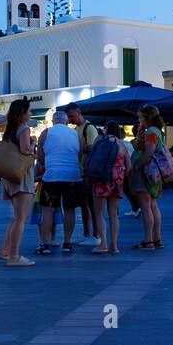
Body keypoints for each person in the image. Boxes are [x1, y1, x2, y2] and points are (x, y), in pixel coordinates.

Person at [36, 109, 85, 254]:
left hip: (52, 176)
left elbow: (40, 156)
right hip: (72, 175)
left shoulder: (46, 133)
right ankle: (67, 243)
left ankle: (45, 245)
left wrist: (48, 164)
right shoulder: (76, 133)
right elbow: (80, 153)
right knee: (69, 210)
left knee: (48, 210)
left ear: (53, 121)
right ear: (66, 121)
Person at [0, 98, 36, 266]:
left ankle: (5, 251)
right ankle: (14, 256)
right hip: (22, 178)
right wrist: (33, 143)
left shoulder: (10, 130)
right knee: (21, 218)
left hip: (10, 177)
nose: (31, 113)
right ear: (22, 113)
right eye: (29, 111)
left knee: (16, 217)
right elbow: (25, 150)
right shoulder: (24, 129)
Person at [128, 104, 167, 250]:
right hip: (154, 172)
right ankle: (157, 239)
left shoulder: (151, 131)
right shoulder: (157, 131)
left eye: (140, 117)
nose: (139, 120)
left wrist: (137, 166)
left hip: (146, 172)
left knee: (146, 206)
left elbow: (149, 151)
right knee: (153, 205)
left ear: (147, 117)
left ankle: (148, 240)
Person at [88, 122, 129, 254]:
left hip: (100, 178)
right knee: (114, 213)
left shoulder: (99, 140)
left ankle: (103, 244)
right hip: (117, 179)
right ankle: (114, 245)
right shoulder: (121, 144)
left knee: (99, 212)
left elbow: (92, 158)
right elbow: (130, 166)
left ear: (106, 129)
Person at [65, 103, 101, 246]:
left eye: (71, 116)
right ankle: (88, 234)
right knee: (84, 205)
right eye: (68, 116)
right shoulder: (76, 129)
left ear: (79, 113)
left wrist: (79, 148)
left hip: (88, 173)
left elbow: (94, 148)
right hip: (80, 172)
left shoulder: (89, 128)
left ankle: (96, 235)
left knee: (92, 206)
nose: (70, 119)